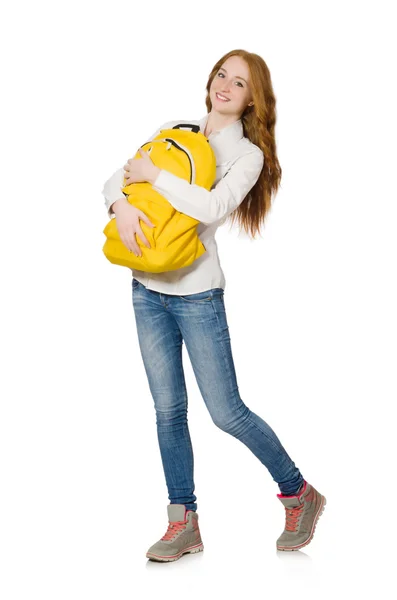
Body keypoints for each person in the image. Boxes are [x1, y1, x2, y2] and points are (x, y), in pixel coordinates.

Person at [101, 49, 326, 562]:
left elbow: (213, 206)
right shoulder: (174, 126)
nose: (225, 85)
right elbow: (117, 177)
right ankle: (183, 522)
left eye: (240, 83)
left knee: (227, 412)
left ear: (253, 100)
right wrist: (123, 206)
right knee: (167, 410)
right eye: (221, 75)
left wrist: (153, 179)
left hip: (197, 294)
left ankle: (299, 493)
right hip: (145, 287)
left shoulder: (247, 155)